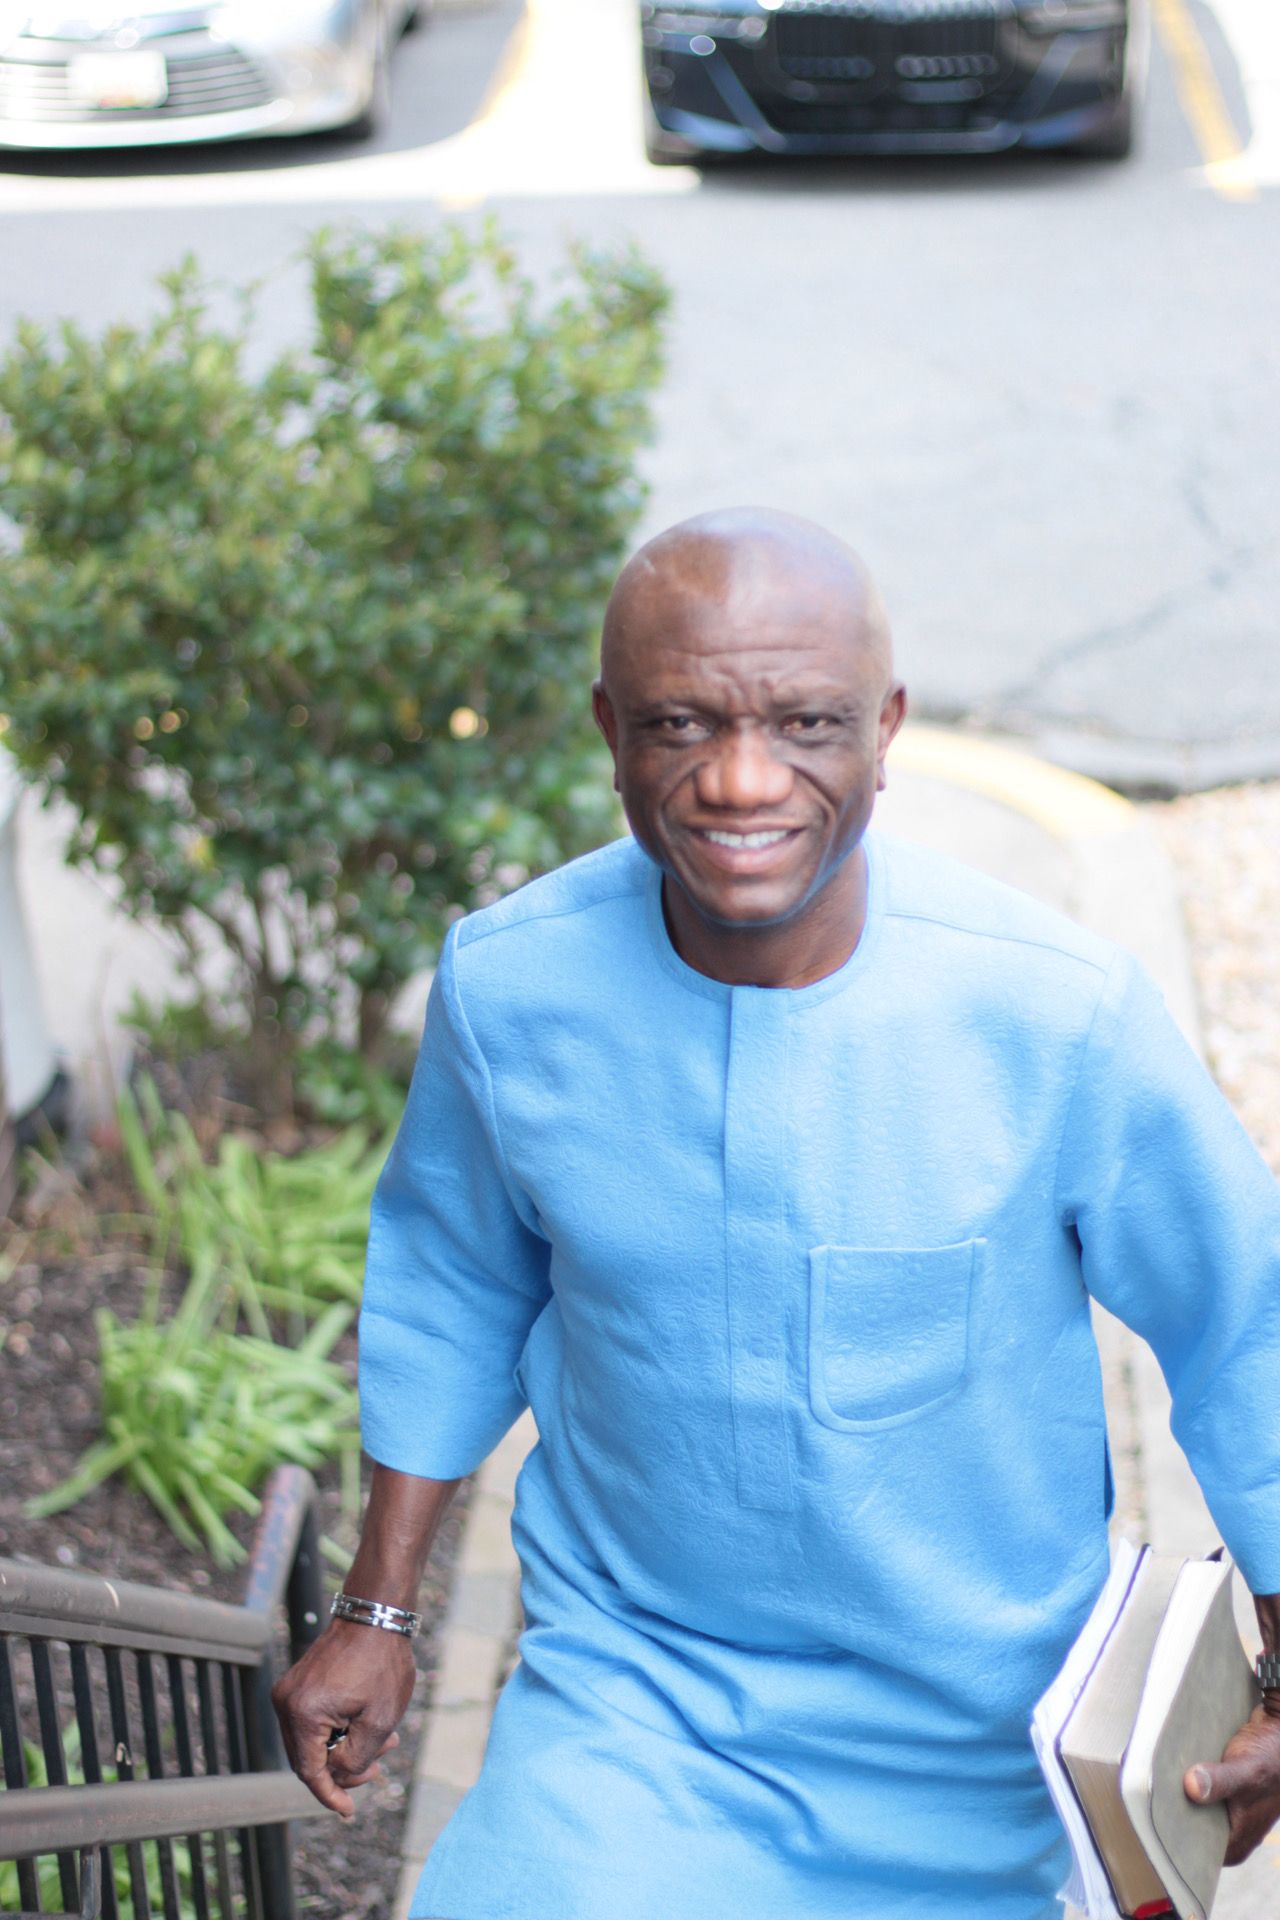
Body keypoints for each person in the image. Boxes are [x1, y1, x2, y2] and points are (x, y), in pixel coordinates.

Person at [273, 509, 1280, 1920]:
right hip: (634, 1710)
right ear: (610, 730)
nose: (740, 782)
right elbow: (450, 1284)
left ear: (888, 731)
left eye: (807, 724)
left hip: (981, 1746)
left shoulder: (1054, 1016)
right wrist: (377, 1614)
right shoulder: (511, 991)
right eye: (680, 725)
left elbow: (1246, 1321)